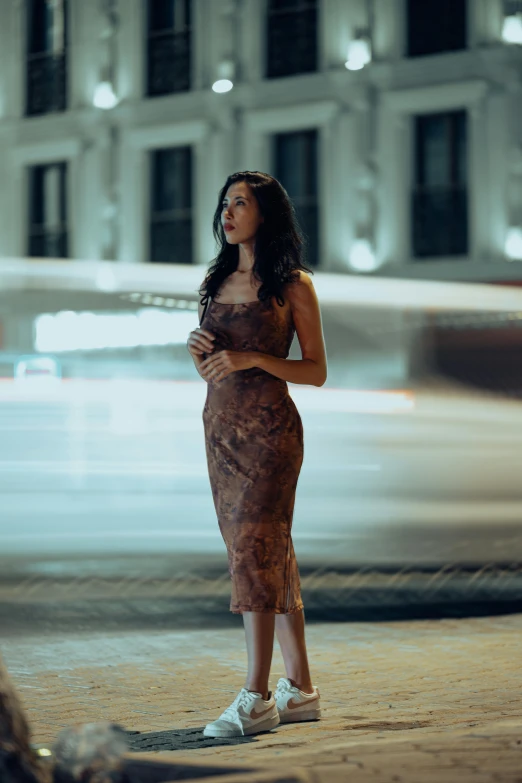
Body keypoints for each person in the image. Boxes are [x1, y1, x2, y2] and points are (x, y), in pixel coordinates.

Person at [186, 171, 327, 739]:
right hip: (220, 430)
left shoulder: (292, 284)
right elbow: (215, 365)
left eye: (240, 203)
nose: (228, 212)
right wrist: (199, 351)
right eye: (224, 203)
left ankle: (257, 697)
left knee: (254, 552)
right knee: (271, 552)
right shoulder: (217, 280)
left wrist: (254, 360)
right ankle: (301, 689)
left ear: (265, 214)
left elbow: (315, 370)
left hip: (270, 432)